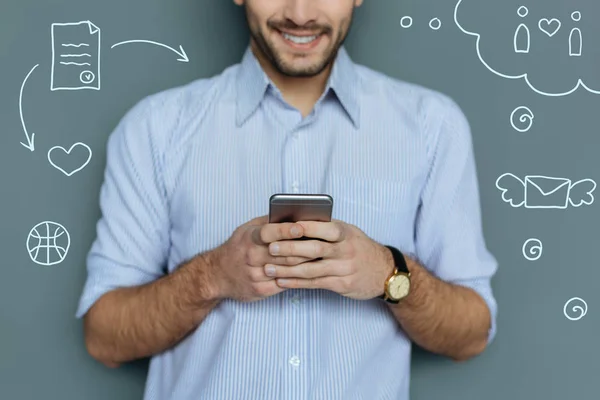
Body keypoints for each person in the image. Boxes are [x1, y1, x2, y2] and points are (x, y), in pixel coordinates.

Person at [76, 0, 498, 399]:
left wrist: (388, 273)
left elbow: (471, 334)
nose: (300, 14)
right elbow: (104, 338)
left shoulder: (432, 128)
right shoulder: (155, 130)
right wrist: (213, 276)